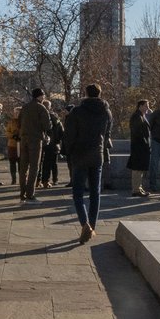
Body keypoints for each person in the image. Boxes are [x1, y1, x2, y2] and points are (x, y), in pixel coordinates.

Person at [64, 83, 114, 242]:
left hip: (79, 154)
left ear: (85, 93)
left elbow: (69, 134)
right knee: (95, 193)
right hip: (97, 155)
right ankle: (92, 225)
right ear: (100, 93)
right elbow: (107, 134)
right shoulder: (106, 112)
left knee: (78, 193)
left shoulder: (77, 111)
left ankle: (85, 224)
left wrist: (68, 152)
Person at [17, 88, 54, 203]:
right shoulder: (41, 108)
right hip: (35, 140)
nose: (43, 98)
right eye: (43, 96)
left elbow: (18, 122)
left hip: (24, 139)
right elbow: (48, 126)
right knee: (34, 167)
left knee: (23, 167)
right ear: (40, 96)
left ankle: (22, 193)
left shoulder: (24, 107)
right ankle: (30, 194)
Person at [126, 98, 152, 197]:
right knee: (137, 169)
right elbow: (138, 132)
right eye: (146, 106)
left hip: (141, 146)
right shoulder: (137, 116)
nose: (148, 108)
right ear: (140, 106)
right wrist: (145, 142)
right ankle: (136, 189)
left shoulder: (141, 116)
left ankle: (138, 188)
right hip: (139, 147)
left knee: (139, 169)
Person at [41, 107, 64, 187]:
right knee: (54, 163)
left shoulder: (41, 117)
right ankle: (54, 179)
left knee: (43, 164)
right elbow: (62, 133)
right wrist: (57, 141)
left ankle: (43, 180)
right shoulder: (56, 119)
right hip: (54, 144)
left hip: (43, 143)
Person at [6, 108, 21, 183]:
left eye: (18, 113)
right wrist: (13, 135)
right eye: (15, 112)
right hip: (12, 145)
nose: (16, 114)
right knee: (12, 163)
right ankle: (13, 179)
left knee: (21, 163)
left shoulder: (24, 122)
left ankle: (22, 179)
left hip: (21, 145)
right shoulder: (11, 122)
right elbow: (7, 132)